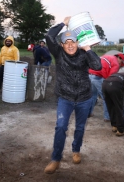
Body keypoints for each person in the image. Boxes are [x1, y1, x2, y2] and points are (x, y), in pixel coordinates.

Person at [43, 17, 102, 174]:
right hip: (65, 97)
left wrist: (88, 49)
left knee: (80, 127)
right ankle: (55, 159)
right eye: (66, 42)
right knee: (61, 126)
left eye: (73, 41)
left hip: (84, 98)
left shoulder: (84, 54)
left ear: (78, 42)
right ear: (62, 45)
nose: (70, 45)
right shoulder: (58, 53)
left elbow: (98, 65)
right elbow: (49, 36)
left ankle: (76, 150)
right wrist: (64, 24)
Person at [88, 53, 124, 121]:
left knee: (92, 95)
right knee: (106, 97)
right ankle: (107, 117)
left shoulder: (106, 56)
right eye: (121, 62)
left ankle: (89, 113)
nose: (120, 65)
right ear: (119, 58)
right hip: (97, 77)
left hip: (89, 75)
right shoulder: (116, 63)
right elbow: (111, 77)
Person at [102, 70, 124, 136]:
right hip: (115, 85)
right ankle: (120, 130)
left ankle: (114, 126)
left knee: (111, 106)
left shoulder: (121, 74)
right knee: (119, 108)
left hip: (105, 84)